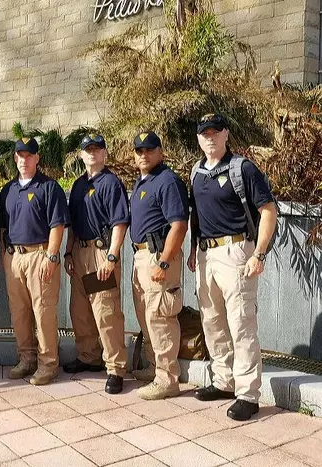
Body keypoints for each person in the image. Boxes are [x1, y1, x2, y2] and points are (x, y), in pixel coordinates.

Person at [188, 113, 277, 421]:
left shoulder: (243, 168)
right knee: (212, 321)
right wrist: (192, 250)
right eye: (204, 133)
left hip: (236, 251)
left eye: (215, 131)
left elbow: (269, 211)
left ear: (226, 134)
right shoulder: (196, 172)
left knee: (241, 324)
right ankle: (224, 380)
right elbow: (196, 217)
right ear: (198, 138)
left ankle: (248, 394)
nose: (209, 137)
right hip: (205, 255)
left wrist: (259, 254)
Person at [0, 137, 69, 385]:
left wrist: (51, 255)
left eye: (29, 155)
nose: (24, 160)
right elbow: (2, 227)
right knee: (19, 312)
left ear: (37, 158)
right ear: (15, 158)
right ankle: (26, 358)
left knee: (43, 312)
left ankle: (48, 364)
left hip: (41, 254)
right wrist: (5, 255)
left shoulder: (49, 187)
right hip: (14, 256)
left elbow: (57, 225)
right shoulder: (8, 190)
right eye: (20, 156)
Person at [63, 134, 129, 394]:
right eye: (87, 149)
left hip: (101, 253)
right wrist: (68, 253)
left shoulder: (111, 183)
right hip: (80, 252)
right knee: (80, 310)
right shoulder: (79, 185)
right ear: (81, 154)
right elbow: (73, 224)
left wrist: (112, 256)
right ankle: (88, 356)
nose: (92, 153)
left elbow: (119, 222)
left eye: (96, 149)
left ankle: (115, 367)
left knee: (106, 311)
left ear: (104, 153)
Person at [129, 131, 188, 400]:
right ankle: (155, 367)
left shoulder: (167, 181)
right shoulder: (142, 182)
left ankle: (167, 379)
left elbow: (179, 224)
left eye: (149, 150)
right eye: (139, 151)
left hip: (158, 256)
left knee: (161, 316)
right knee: (146, 314)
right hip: (142, 256)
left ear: (160, 152)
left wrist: (164, 261)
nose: (144, 155)